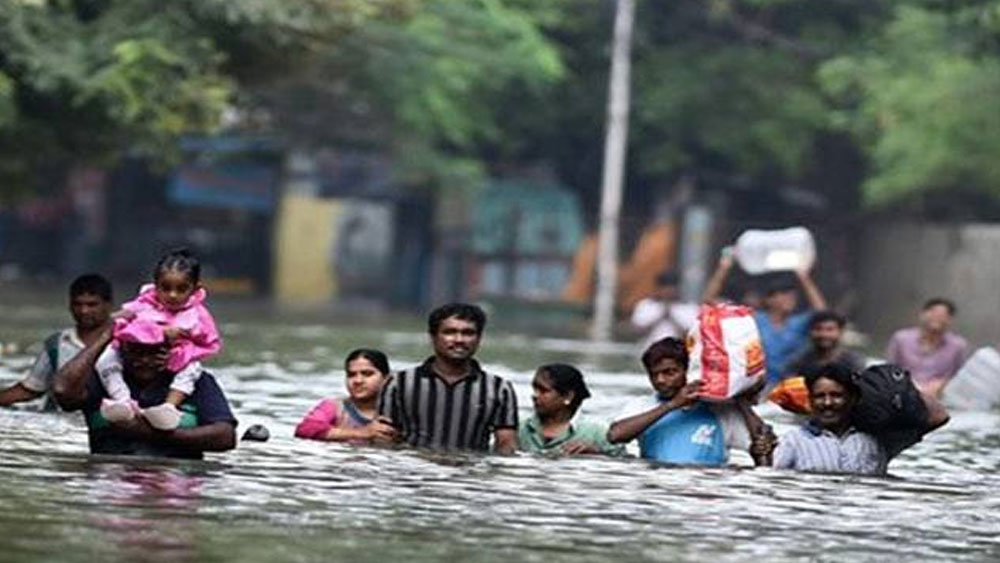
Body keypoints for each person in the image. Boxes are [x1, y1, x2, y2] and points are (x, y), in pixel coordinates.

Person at [52, 323, 237, 460]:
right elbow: (62, 391)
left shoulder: (196, 380)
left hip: (175, 489)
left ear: (170, 350)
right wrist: (105, 336)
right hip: (112, 485)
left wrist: (149, 432)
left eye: (154, 352)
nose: (145, 360)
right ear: (122, 349)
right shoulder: (103, 377)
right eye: (137, 352)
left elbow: (225, 437)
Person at [96, 249, 222, 431]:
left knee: (193, 368)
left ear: (194, 288)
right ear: (156, 286)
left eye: (181, 289)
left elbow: (209, 343)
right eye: (166, 288)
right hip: (133, 353)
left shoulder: (197, 316)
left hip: (178, 356)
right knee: (106, 359)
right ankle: (122, 400)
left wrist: (180, 354)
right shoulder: (144, 304)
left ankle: (169, 407)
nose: (172, 295)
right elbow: (114, 322)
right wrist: (160, 332)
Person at [376, 303, 518, 453]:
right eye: (450, 332)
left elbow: (506, 445)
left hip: (471, 472)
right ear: (433, 337)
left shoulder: (499, 388)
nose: (459, 340)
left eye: (468, 333)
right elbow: (383, 439)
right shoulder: (400, 383)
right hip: (414, 471)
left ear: (479, 338)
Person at [607, 337, 771, 466]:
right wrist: (672, 405)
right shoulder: (643, 405)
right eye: (653, 375)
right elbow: (615, 435)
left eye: (669, 372)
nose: (660, 380)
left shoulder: (720, 411)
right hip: (656, 493)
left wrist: (741, 401)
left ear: (689, 371)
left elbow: (766, 448)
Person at [769, 363, 949, 475]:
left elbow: (939, 416)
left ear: (853, 398)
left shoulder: (879, 440)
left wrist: (897, 389)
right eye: (819, 396)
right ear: (810, 401)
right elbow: (771, 477)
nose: (828, 403)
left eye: (837, 395)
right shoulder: (793, 441)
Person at [703, 253, 828, 385]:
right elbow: (709, 303)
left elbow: (822, 313)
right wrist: (724, 268)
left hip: (790, 387)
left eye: (792, 296)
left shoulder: (798, 323)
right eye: (784, 295)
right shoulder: (755, 319)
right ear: (769, 300)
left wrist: (804, 278)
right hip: (757, 386)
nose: (790, 300)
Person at [0, 274, 114, 410]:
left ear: (108, 305)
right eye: (78, 304)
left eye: (92, 305)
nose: (84, 311)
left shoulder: (125, 340)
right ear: (70, 306)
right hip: (60, 420)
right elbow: (31, 389)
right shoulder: (57, 344)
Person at [295, 349, 398, 445]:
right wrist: (362, 433)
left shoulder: (401, 410)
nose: (358, 381)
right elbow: (305, 430)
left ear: (387, 379)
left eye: (367, 374)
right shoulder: (335, 407)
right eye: (351, 375)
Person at [518, 363, 623, 456]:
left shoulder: (598, 433)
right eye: (534, 389)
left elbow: (623, 463)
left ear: (568, 396)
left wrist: (596, 455)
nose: (534, 395)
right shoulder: (519, 427)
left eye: (543, 391)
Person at [885, 298, 968, 397]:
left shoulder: (957, 346)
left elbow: (960, 378)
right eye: (934, 313)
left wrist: (943, 384)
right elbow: (888, 370)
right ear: (922, 314)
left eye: (943, 315)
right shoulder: (901, 339)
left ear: (950, 320)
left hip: (938, 398)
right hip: (902, 394)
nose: (937, 318)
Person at [784, 311, 865, 379]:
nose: (824, 334)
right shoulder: (798, 362)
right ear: (810, 332)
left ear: (841, 332)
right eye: (818, 329)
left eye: (829, 329)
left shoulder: (853, 363)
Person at [630, 271, 699, 351]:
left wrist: (672, 317)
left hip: (678, 357)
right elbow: (635, 332)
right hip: (650, 354)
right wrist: (659, 316)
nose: (668, 291)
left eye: (672, 288)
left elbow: (692, 337)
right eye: (664, 288)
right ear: (657, 289)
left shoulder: (688, 308)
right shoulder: (646, 305)